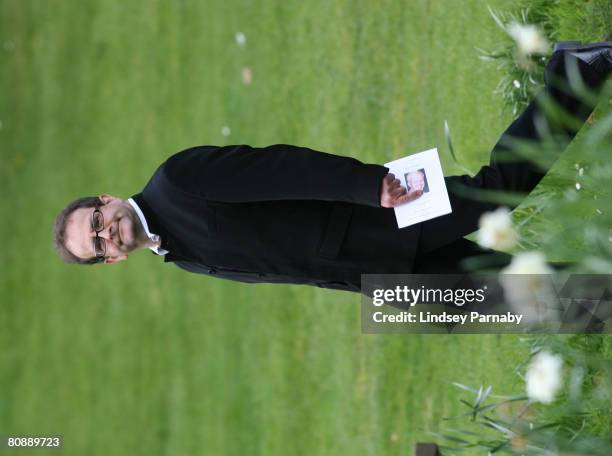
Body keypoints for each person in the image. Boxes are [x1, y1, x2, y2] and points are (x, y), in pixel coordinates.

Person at [53, 42, 611, 293]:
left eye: (97, 224)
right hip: (370, 272)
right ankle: (602, 303)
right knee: (495, 298)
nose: (108, 236)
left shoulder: (177, 181)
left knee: (498, 192)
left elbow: (280, 169)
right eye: (98, 246)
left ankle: (578, 73)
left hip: (378, 217)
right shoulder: (174, 255)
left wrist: (368, 186)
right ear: (109, 261)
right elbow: (286, 265)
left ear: (105, 200)